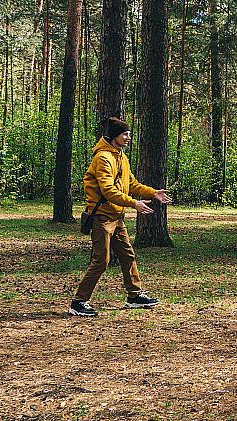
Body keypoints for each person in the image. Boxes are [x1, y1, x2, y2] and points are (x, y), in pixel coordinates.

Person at [69, 117, 173, 317]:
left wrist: (153, 193)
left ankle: (134, 296)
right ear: (114, 136)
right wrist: (134, 203)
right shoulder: (103, 158)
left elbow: (131, 184)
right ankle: (78, 302)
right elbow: (108, 191)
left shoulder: (121, 156)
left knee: (127, 255)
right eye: (125, 134)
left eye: (129, 134)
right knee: (101, 260)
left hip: (117, 217)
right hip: (101, 217)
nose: (128, 138)